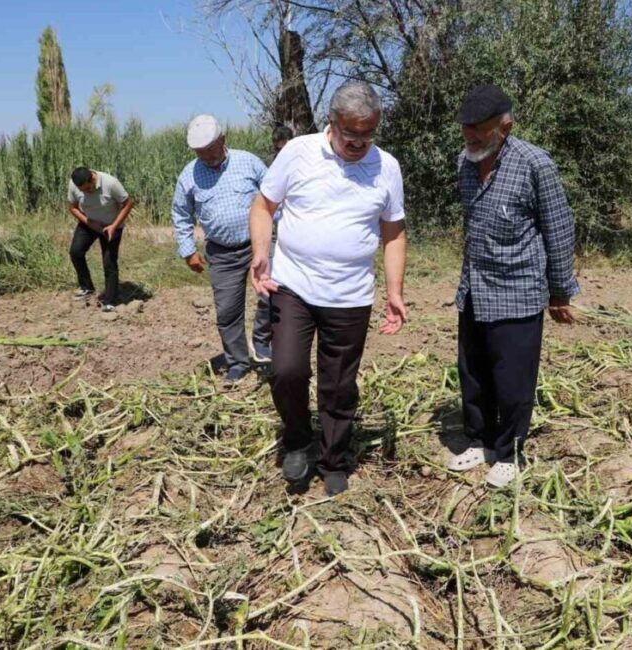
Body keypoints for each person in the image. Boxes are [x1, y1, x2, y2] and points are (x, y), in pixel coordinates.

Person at [248, 81, 408, 497]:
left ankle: (334, 457)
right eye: (351, 133)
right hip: (293, 284)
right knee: (287, 370)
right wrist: (261, 252)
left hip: (350, 295)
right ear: (332, 123)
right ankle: (298, 439)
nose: (359, 143)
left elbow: (393, 232)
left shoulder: (386, 166)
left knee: (339, 384)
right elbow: (264, 206)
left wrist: (394, 291)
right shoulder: (298, 152)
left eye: (367, 134)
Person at [446, 84, 580, 488]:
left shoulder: (534, 164)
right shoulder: (465, 163)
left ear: (505, 128)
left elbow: (557, 229)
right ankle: (479, 440)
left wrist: (559, 291)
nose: (470, 139)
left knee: (513, 379)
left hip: (518, 289)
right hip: (475, 288)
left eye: (480, 132)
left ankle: (509, 452)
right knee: (473, 372)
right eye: (466, 130)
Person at [172, 114, 273, 385]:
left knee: (271, 298)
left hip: (259, 246)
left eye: (210, 149)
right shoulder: (189, 175)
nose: (206, 156)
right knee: (228, 312)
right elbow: (180, 213)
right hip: (221, 253)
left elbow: (274, 196)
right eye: (199, 152)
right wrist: (187, 250)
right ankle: (238, 362)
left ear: (222, 140)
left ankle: (263, 342)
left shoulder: (248, 162)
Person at [67, 167, 135, 312]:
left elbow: (128, 203)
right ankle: (87, 287)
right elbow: (72, 207)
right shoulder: (74, 184)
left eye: (87, 189)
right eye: (82, 191)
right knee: (75, 252)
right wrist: (88, 222)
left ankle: (110, 300)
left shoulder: (111, 183)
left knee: (109, 262)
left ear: (92, 178)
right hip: (89, 223)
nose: (84, 192)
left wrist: (114, 226)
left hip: (111, 225)